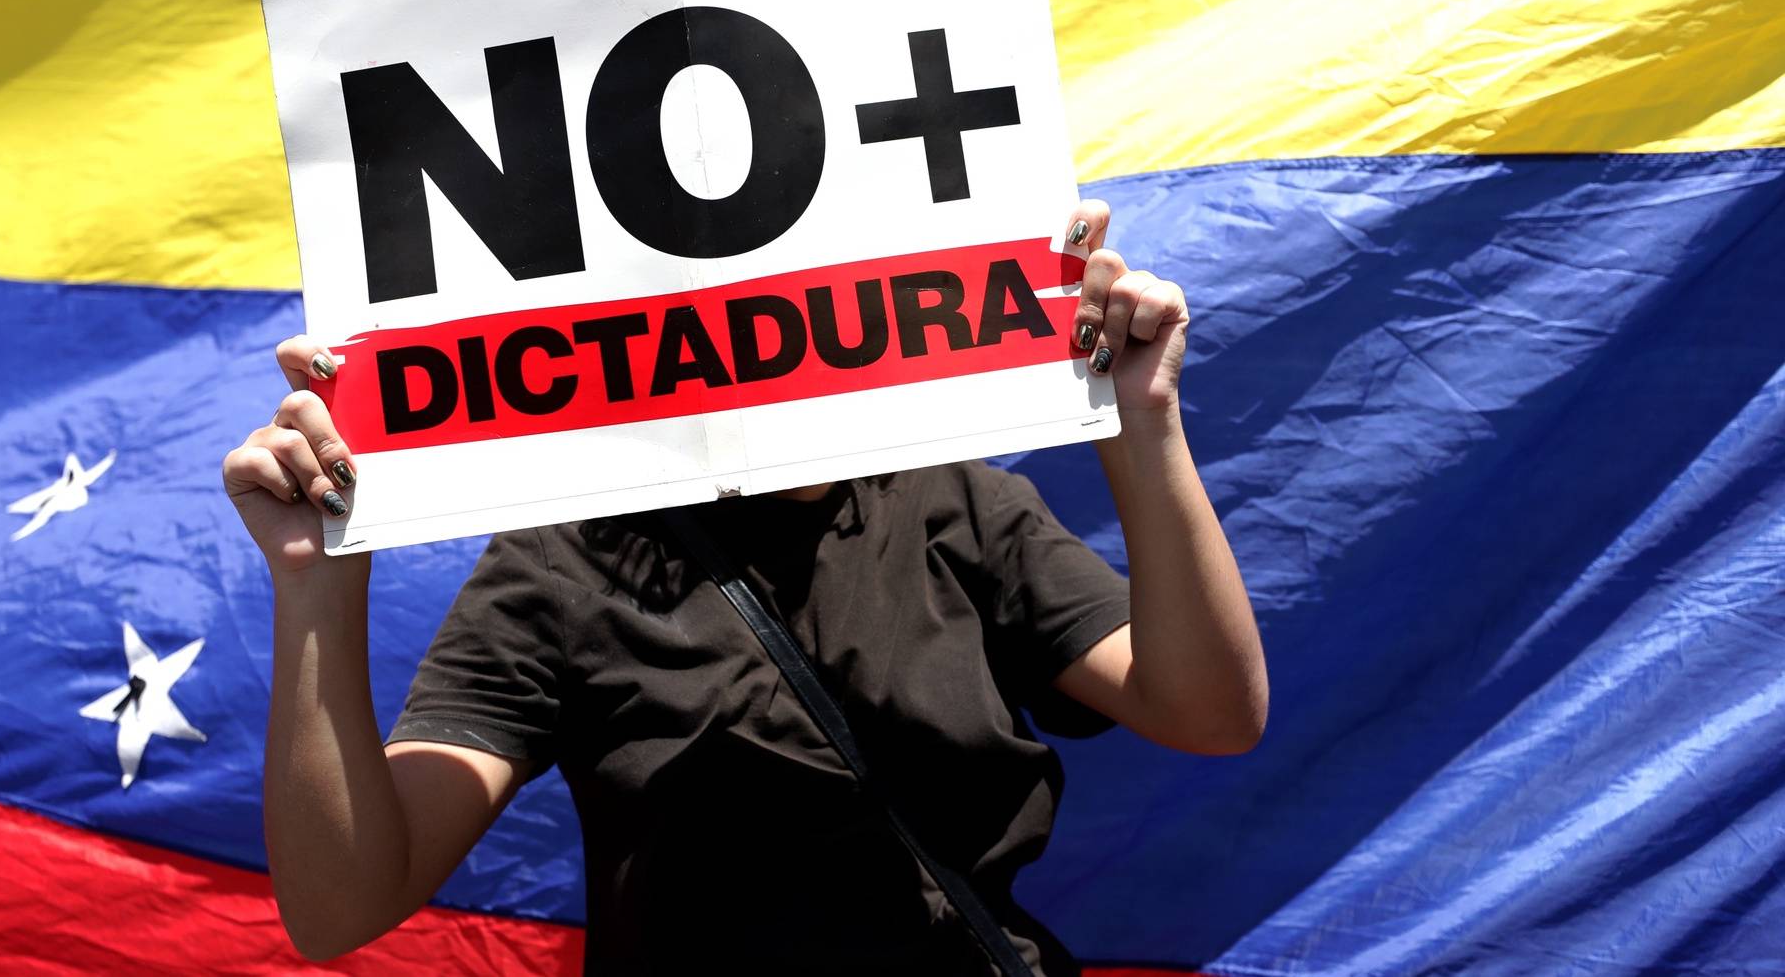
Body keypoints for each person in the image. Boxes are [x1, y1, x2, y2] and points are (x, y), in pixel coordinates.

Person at [223, 199, 1267, 975]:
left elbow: (1209, 712)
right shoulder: (559, 558)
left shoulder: (953, 500)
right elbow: (339, 905)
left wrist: (1142, 420)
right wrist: (315, 586)